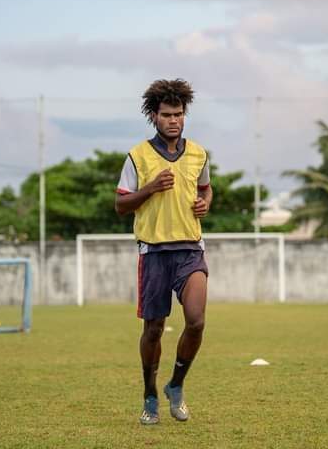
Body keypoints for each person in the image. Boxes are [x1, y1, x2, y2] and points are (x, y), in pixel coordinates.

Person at [115, 79, 212, 425]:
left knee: (196, 321)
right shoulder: (138, 156)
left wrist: (205, 203)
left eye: (179, 114)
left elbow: (206, 188)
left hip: (190, 250)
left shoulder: (199, 154)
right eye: (167, 115)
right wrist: (152, 188)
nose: (174, 120)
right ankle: (150, 394)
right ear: (154, 116)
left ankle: (176, 385)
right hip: (154, 252)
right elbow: (121, 205)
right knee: (154, 329)